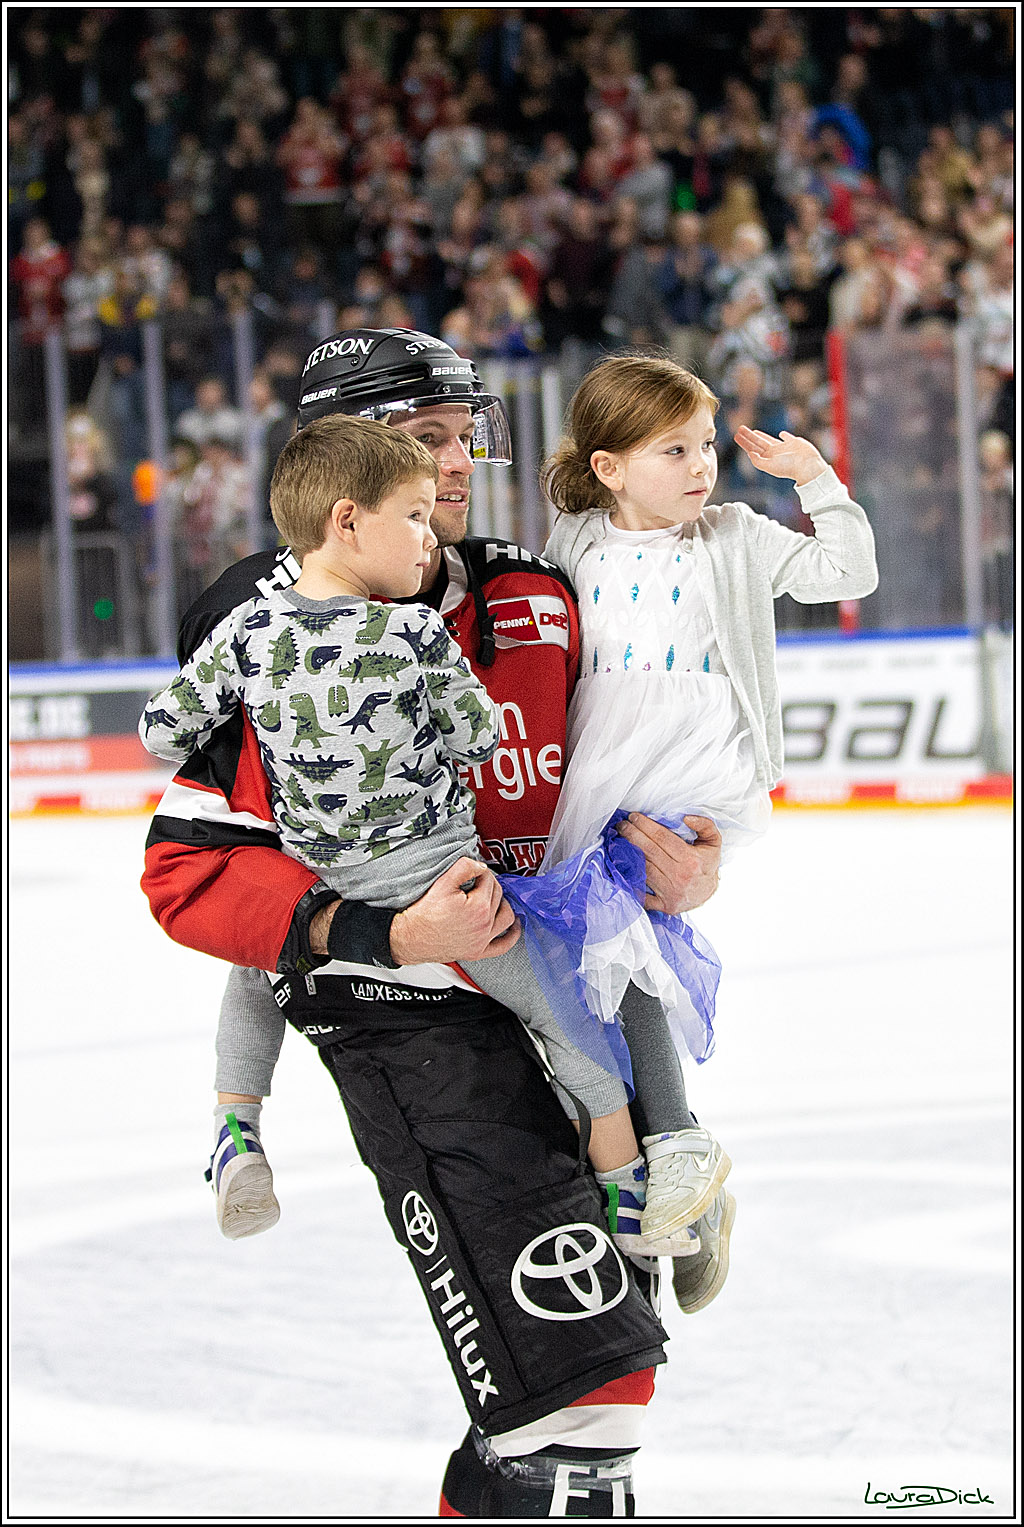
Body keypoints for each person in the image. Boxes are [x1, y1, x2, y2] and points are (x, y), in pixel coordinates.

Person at [140, 327, 723, 1517]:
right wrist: (383, 937)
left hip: (558, 992)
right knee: (582, 1394)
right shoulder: (256, 624)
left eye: (464, 438)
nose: (455, 465)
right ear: (341, 473)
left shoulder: (534, 588)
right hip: (403, 1020)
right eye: (423, 441)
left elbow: (621, 769)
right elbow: (190, 871)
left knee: (567, 1389)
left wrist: (685, 857)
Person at [139, 411, 700, 1256]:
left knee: (260, 970)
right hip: (443, 880)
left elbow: (160, 731)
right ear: (347, 521)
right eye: (409, 515)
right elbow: (480, 738)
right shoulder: (410, 629)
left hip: (322, 882)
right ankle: (627, 1197)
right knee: (570, 1025)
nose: (425, 537)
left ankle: (237, 1130)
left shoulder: (248, 633)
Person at [532, 352, 878, 1310]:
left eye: (706, 446)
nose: (701, 466)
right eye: (672, 449)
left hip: (687, 763)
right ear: (608, 467)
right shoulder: (573, 545)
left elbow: (847, 570)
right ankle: (677, 1196)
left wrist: (815, 479)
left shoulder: (730, 534)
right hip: (601, 761)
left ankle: (680, 1142)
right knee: (593, 964)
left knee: (615, 922)